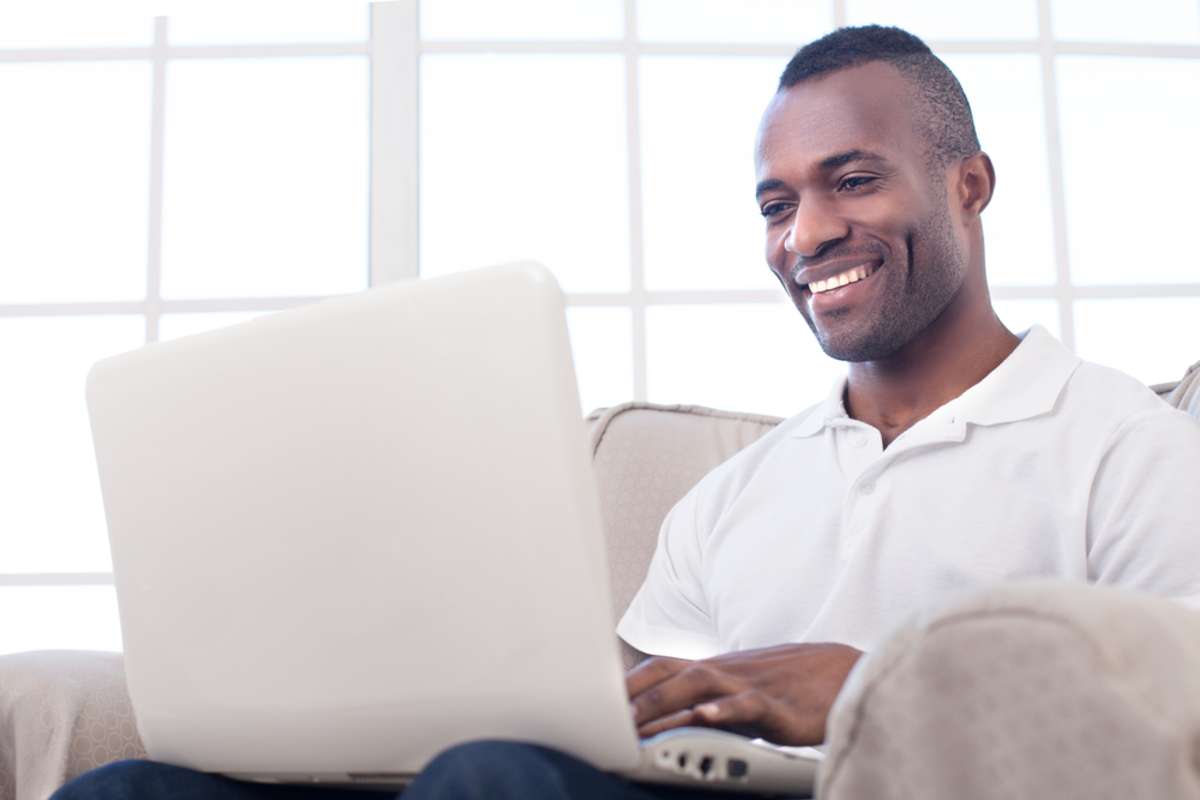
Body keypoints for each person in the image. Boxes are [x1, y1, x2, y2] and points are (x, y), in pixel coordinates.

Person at [53, 24, 1200, 800]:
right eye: (775, 202)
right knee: (127, 789)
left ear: (969, 183)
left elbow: (1170, 721)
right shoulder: (736, 495)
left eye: (851, 180)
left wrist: (867, 685)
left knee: (492, 778)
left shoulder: (1121, 445)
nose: (803, 236)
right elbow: (629, 713)